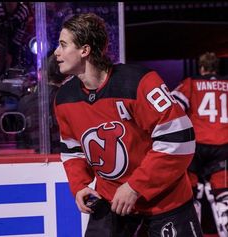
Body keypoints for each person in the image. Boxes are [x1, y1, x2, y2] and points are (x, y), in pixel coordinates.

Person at [54, 13, 203, 237]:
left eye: (63, 45)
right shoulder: (65, 97)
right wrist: (80, 185)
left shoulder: (139, 82)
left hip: (164, 203)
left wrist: (135, 186)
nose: (56, 52)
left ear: (85, 50)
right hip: (110, 202)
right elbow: (72, 149)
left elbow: (180, 140)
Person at [171, 52, 228, 237]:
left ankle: (191, 231)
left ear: (201, 68)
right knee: (224, 195)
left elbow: (172, 106)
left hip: (196, 147)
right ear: (216, 68)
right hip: (223, 147)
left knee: (191, 193)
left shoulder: (191, 83)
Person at [0, 2, 30, 78]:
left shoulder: (23, 12)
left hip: (12, 43)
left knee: (11, 68)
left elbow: (19, 36)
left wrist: (11, 53)